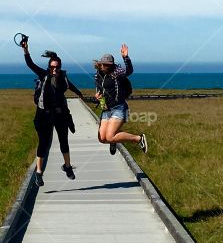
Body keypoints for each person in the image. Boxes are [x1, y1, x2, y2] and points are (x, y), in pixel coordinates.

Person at [20, 38, 86, 187]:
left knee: (64, 141)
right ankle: (38, 173)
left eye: (56, 67)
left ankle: (67, 167)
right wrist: (25, 49)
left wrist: (79, 93)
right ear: (49, 66)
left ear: (60, 66)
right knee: (43, 143)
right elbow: (30, 64)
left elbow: (70, 86)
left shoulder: (63, 77)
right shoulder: (44, 75)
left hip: (60, 114)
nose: (54, 69)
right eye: (52, 67)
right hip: (44, 114)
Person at [95, 44, 148, 155]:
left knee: (110, 136)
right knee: (102, 138)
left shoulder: (117, 73)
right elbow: (99, 89)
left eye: (108, 65)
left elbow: (129, 71)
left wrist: (126, 57)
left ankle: (139, 139)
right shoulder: (98, 75)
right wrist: (97, 96)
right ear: (100, 64)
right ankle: (114, 141)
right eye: (104, 64)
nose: (106, 67)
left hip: (119, 108)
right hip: (106, 109)